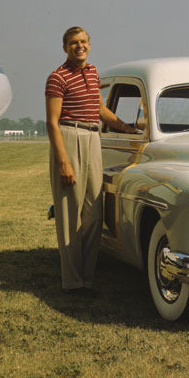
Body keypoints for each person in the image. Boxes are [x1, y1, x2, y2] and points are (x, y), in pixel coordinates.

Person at [45, 26, 137, 293]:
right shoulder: (57, 77)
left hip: (92, 137)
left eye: (83, 41)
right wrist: (63, 161)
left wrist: (127, 127)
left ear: (89, 44)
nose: (79, 46)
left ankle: (87, 277)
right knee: (69, 213)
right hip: (69, 136)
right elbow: (52, 122)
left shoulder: (94, 72)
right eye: (73, 43)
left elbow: (99, 109)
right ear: (65, 47)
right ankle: (72, 281)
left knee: (93, 213)